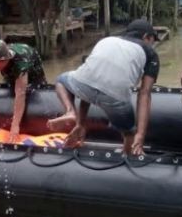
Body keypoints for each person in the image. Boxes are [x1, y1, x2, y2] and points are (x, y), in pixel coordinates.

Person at [47, 19, 160, 155]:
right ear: (146, 37)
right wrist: (140, 134)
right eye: (153, 40)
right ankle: (127, 155)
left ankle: (70, 111)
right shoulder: (151, 54)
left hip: (82, 85)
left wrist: (80, 123)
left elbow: (91, 79)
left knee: (60, 80)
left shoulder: (108, 40)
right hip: (114, 97)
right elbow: (144, 94)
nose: (152, 44)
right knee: (129, 131)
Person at [0, 39, 47, 141]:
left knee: (31, 88)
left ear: (7, 58)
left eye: (0, 62)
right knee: (9, 82)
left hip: (32, 64)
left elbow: (20, 94)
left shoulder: (20, 62)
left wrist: (15, 126)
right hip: (10, 64)